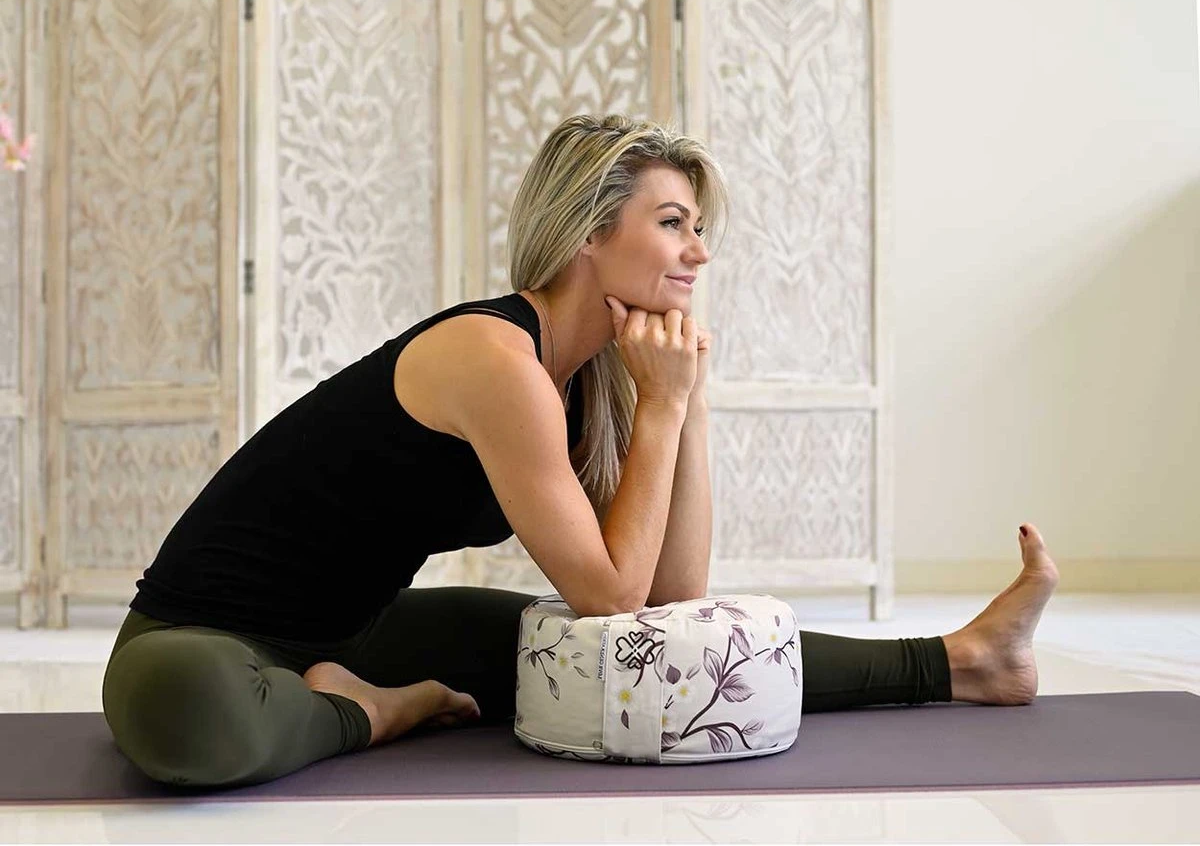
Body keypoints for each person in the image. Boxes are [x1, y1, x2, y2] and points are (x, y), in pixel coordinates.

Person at [101, 113, 1059, 789]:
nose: (700, 252)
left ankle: (963, 661)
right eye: (673, 224)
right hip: (200, 643)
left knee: (638, 659)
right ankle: (370, 712)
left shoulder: (589, 382)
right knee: (188, 714)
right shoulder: (494, 357)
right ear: (591, 233)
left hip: (358, 633)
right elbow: (611, 594)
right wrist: (662, 409)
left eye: (699, 228)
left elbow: (668, 602)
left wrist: (683, 400)